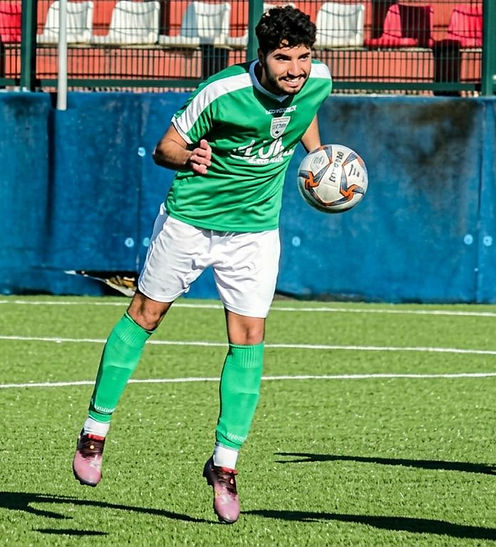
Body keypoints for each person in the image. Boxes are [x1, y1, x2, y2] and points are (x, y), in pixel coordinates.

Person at [71, 5, 332, 524]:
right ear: (262, 56)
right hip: (192, 221)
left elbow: (305, 113)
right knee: (146, 315)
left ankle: (225, 464)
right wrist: (187, 157)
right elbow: (164, 147)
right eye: (284, 59)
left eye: (303, 57)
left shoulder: (318, 81)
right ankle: (95, 430)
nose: (296, 70)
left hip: (255, 232)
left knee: (249, 338)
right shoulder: (221, 91)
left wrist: (319, 159)